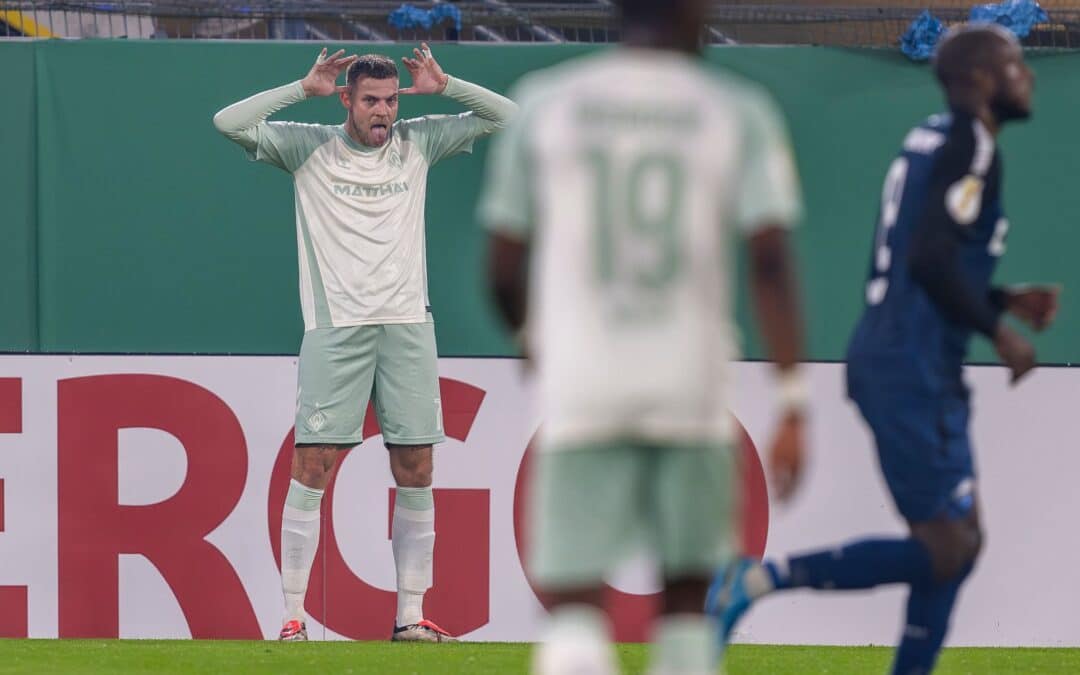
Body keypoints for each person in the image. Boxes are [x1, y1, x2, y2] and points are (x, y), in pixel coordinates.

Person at [710, 23, 1059, 674]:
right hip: (909, 363)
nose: (1028, 74)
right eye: (1014, 64)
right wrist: (1000, 331)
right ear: (981, 79)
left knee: (959, 542)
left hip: (913, 355)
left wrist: (1004, 299)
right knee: (947, 544)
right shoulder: (971, 144)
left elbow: (922, 257)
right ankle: (758, 580)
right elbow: (929, 258)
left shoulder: (932, 138)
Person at [479, 0, 808, 671]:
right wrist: (793, 396)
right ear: (693, 13)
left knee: (573, 607)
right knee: (686, 604)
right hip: (689, 382)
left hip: (585, 383)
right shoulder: (735, 108)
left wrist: (534, 337)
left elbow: (501, 268)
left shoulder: (547, 102)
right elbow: (770, 261)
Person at [213, 43, 516, 642]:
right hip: (337, 330)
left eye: (391, 100)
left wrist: (446, 83)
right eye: (372, 100)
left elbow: (511, 117)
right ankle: (293, 618)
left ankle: (409, 617)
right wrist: (302, 89)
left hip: (407, 328)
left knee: (417, 466)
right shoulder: (307, 148)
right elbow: (228, 122)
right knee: (313, 464)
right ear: (347, 100)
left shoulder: (418, 142)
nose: (384, 111)